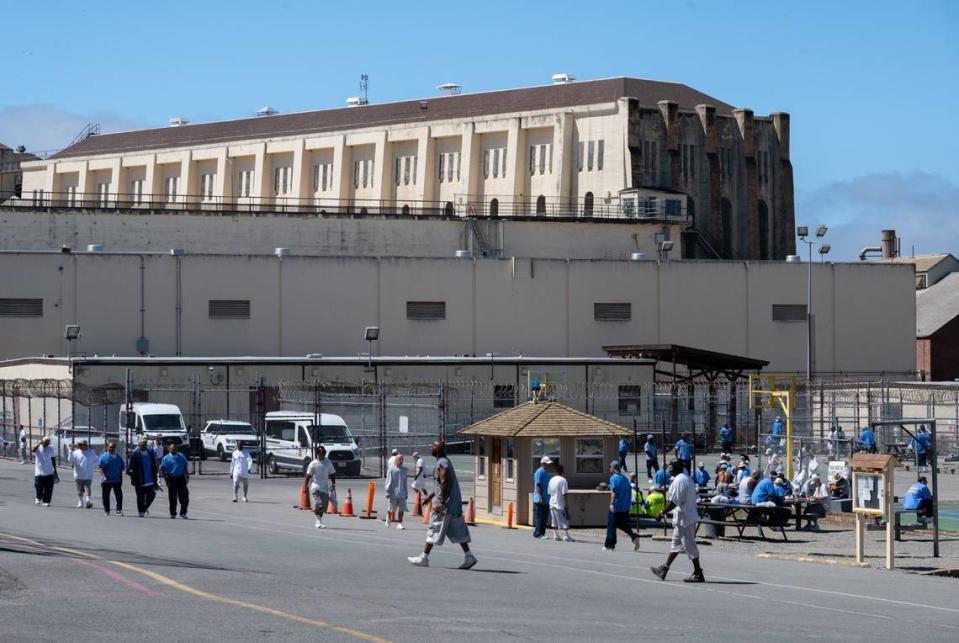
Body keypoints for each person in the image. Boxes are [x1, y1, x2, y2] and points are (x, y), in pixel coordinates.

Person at [408, 441, 476, 570]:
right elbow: (441, 484)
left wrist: (442, 502)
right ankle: (469, 556)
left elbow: (444, 481)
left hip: (443, 506)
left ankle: (424, 557)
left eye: (434, 447)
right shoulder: (446, 461)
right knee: (458, 531)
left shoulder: (442, 463)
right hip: (453, 505)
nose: (431, 448)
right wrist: (430, 496)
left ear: (439, 450)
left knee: (433, 528)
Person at [650, 459, 705, 582]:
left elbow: (675, 502)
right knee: (675, 545)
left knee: (689, 546)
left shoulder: (680, 480)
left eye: (672, 469)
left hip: (685, 518)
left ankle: (698, 573)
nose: (670, 471)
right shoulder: (685, 478)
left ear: (677, 468)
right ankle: (664, 568)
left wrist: (661, 513)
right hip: (683, 517)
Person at [603, 460, 641, 552]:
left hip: (616, 506)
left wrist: (612, 504)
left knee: (611, 525)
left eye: (610, 467)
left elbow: (614, 492)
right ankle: (634, 536)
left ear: (613, 468)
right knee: (621, 524)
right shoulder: (625, 479)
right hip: (625, 507)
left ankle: (609, 545)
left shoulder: (613, 478)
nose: (609, 468)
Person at [127, 438, 160, 517]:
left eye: (145, 444)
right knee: (140, 496)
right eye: (142, 443)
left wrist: (156, 474)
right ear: (139, 445)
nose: (144, 445)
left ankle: (144, 507)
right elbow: (131, 468)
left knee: (152, 494)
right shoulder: (135, 454)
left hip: (150, 479)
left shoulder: (150, 453)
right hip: (139, 479)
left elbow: (154, 464)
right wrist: (132, 479)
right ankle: (141, 511)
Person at [304, 445, 335, 529]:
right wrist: (305, 486)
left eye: (324, 453)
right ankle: (318, 521)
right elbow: (308, 475)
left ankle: (319, 521)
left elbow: (332, 473)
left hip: (324, 488)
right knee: (319, 505)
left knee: (323, 508)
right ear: (317, 453)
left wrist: (333, 484)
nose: (323, 454)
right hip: (315, 487)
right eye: (321, 453)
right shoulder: (313, 463)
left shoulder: (328, 462)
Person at [160, 443, 190, 519]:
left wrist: (187, 476)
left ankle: (183, 512)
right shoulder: (166, 458)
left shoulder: (181, 456)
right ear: (169, 449)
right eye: (172, 449)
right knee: (172, 498)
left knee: (185, 497)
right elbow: (163, 470)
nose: (174, 450)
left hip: (181, 478)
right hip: (171, 479)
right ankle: (173, 513)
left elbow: (185, 467)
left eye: (175, 449)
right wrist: (166, 481)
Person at [97, 441, 125, 516]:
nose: (111, 449)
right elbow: (100, 468)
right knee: (105, 496)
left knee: (119, 496)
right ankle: (107, 510)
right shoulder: (103, 457)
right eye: (110, 447)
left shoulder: (118, 457)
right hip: (106, 481)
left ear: (115, 448)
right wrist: (104, 476)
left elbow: (122, 468)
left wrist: (119, 474)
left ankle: (118, 510)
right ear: (107, 448)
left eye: (113, 447)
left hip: (116, 480)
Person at [548, 464, 573, 541]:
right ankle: (566, 536)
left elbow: (549, 492)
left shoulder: (551, 480)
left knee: (554, 520)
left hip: (552, 502)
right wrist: (566, 503)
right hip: (560, 503)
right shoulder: (563, 480)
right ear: (562, 471)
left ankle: (556, 535)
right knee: (564, 520)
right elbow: (564, 493)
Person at [68, 439, 96, 509]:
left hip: (88, 474)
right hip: (78, 474)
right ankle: (80, 502)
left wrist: (95, 465)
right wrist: (70, 451)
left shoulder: (91, 452)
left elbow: (96, 459)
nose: (83, 446)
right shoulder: (75, 452)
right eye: (81, 444)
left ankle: (88, 501)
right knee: (80, 489)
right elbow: (70, 460)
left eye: (84, 444)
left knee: (87, 487)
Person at [384, 453, 409, 529]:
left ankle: (400, 523)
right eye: (399, 459)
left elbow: (405, 482)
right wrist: (387, 492)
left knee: (402, 509)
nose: (401, 461)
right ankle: (388, 518)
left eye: (402, 459)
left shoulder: (404, 470)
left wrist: (406, 493)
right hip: (393, 493)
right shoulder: (391, 469)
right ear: (396, 460)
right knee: (392, 509)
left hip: (402, 494)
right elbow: (388, 481)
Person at [532, 456, 553, 539]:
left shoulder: (546, 472)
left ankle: (542, 533)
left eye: (549, 463)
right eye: (547, 463)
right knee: (540, 517)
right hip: (540, 499)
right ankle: (538, 533)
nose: (549, 465)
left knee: (544, 517)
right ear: (543, 463)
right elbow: (538, 484)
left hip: (546, 498)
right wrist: (541, 497)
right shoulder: (539, 472)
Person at [33, 435, 57, 506]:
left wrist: (55, 470)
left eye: (48, 442)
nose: (47, 444)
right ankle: (38, 497)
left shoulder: (51, 448)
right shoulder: (38, 447)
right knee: (38, 486)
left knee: (49, 488)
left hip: (49, 471)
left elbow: (53, 458)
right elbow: (33, 450)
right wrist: (40, 443)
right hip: (39, 471)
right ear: (42, 442)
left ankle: (46, 501)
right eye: (46, 442)